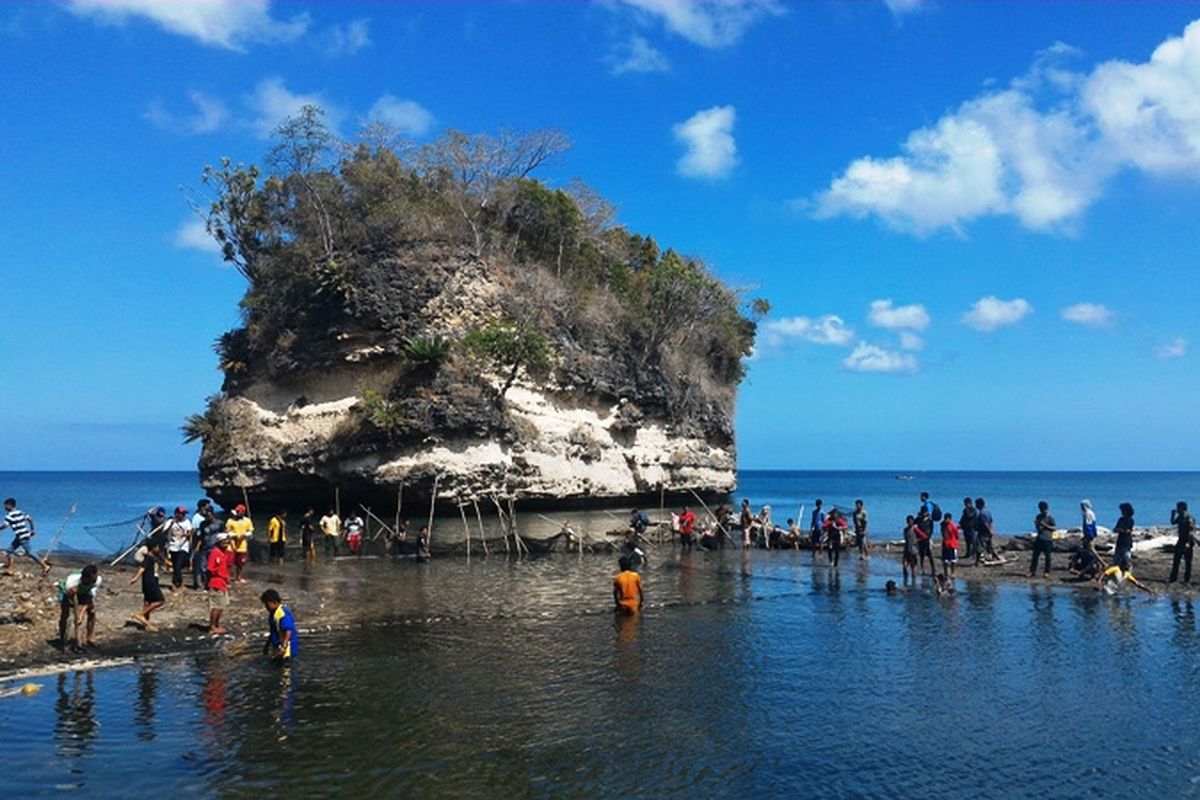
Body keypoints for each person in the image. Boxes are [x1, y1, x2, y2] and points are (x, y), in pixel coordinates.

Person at [2, 497, 51, 577]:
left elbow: (5, 526)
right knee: (10, 550)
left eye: (6, 506)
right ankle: (11, 569)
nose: (5, 508)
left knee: (30, 552)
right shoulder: (21, 512)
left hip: (21, 537)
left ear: (10, 505)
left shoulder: (9, 515)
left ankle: (45, 566)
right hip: (21, 535)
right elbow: (30, 520)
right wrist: (32, 530)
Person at [57, 564, 101, 652]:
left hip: (85, 592)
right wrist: (77, 613)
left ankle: (90, 637)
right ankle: (63, 639)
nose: (96, 579)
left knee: (92, 612)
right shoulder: (72, 582)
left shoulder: (97, 580)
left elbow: (89, 598)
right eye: (93, 578)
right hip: (67, 593)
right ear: (86, 578)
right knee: (65, 614)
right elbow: (71, 599)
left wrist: (81, 614)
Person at [128, 539, 165, 632]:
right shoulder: (149, 557)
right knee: (160, 600)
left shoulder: (153, 557)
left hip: (146, 581)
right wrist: (135, 578)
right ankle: (141, 614)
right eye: (158, 547)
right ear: (153, 547)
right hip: (150, 581)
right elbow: (142, 568)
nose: (159, 548)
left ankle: (146, 624)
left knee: (147, 601)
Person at [260, 588, 298, 663]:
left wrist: (284, 647)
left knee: (285, 670)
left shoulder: (282, 614)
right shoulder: (273, 613)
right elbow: (273, 631)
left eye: (267, 604)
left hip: (286, 651)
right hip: (277, 648)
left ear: (274, 602)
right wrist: (267, 645)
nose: (266, 607)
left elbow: (288, 631)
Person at [207, 534, 233, 635]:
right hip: (216, 583)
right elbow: (210, 569)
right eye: (224, 541)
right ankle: (212, 627)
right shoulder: (215, 553)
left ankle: (216, 625)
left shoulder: (223, 553)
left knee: (222, 605)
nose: (226, 543)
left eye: (227, 541)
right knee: (216, 606)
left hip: (222, 582)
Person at [164, 506, 192, 591]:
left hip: (183, 546)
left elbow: (190, 532)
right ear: (176, 514)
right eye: (181, 514)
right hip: (173, 546)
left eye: (184, 514)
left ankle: (174, 583)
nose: (183, 515)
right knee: (176, 565)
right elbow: (165, 531)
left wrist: (186, 535)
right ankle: (180, 583)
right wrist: (172, 524)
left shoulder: (187, 522)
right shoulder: (170, 521)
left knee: (178, 565)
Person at [224, 504, 253, 583]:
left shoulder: (247, 521)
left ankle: (238, 577)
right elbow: (227, 532)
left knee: (240, 562)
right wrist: (234, 536)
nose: (236, 512)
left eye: (238, 511)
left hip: (242, 545)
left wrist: (245, 535)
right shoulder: (230, 521)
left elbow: (250, 532)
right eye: (236, 511)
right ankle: (228, 577)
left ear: (243, 512)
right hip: (232, 544)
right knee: (230, 562)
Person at [1169, 501, 1196, 584]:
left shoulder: (1189, 518)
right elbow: (1173, 522)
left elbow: (1191, 531)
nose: (1177, 509)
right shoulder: (1180, 517)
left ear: (1182, 508)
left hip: (1188, 541)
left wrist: (1188, 542)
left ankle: (1186, 579)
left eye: (1178, 508)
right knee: (1176, 559)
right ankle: (1173, 578)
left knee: (1188, 562)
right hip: (1180, 541)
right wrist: (1172, 515)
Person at [1029, 501, 1056, 578]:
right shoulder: (1038, 517)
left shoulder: (1050, 518)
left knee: (1047, 557)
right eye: (1041, 509)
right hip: (1039, 538)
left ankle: (1047, 571)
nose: (1042, 511)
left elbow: (1054, 528)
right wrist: (1037, 524)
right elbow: (1038, 528)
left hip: (1047, 539)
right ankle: (1032, 571)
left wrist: (1046, 525)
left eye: (1043, 509)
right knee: (1035, 556)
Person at [190, 499, 214, 589]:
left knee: (204, 564)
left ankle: (204, 582)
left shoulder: (202, 518)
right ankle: (198, 583)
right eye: (207, 506)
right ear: (202, 507)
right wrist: (194, 545)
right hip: (198, 544)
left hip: (204, 544)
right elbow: (194, 532)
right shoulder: (197, 518)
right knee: (198, 565)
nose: (208, 509)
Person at [916, 495, 937, 575]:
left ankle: (933, 570)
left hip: (927, 539)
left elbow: (931, 529)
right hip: (920, 539)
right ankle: (922, 570)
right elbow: (915, 525)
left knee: (929, 555)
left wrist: (929, 537)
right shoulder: (919, 519)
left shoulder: (929, 521)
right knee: (922, 555)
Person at [975, 498, 997, 564]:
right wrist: (991, 530)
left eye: (976, 504)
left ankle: (978, 561)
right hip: (987, 531)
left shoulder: (982, 513)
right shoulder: (988, 511)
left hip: (983, 532)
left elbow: (985, 523)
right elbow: (991, 521)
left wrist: (989, 530)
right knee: (989, 545)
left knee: (980, 546)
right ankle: (994, 556)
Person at [1113, 503, 1135, 570]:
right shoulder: (1120, 519)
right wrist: (1120, 530)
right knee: (1117, 559)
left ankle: (1128, 569)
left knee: (1126, 557)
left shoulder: (1130, 520)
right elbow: (1115, 529)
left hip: (1126, 542)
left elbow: (1128, 530)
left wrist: (1121, 530)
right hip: (1120, 541)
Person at [959, 497, 978, 562]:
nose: (965, 505)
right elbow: (963, 518)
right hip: (966, 527)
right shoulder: (965, 510)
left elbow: (969, 516)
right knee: (967, 541)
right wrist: (961, 524)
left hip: (971, 527)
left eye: (966, 503)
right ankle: (968, 553)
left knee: (973, 541)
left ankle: (973, 554)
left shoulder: (973, 510)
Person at [941, 513, 960, 578]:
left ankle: (953, 573)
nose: (946, 520)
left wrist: (955, 542)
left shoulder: (953, 526)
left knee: (953, 560)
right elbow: (943, 534)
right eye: (945, 519)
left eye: (947, 519)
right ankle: (945, 573)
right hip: (945, 544)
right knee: (945, 560)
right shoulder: (943, 525)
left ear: (950, 519)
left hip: (952, 544)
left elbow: (956, 535)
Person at [902, 516, 919, 584]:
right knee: (904, 566)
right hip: (906, 550)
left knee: (913, 567)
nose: (909, 523)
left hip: (913, 550)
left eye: (911, 521)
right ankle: (905, 580)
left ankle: (913, 581)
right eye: (908, 521)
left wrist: (917, 541)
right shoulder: (905, 530)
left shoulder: (915, 529)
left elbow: (924, 536)